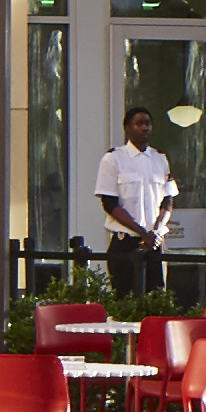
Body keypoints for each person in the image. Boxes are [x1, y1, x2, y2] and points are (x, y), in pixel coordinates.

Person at [89, 107, 176, 295]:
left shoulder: (160, 159)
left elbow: (167, 199)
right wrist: (141, 232)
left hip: (153, 241)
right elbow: (110, 203)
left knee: (155, 300)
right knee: (126, 301)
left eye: (147, 123)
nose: (145, 128)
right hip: (126, 241)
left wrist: (156, 231)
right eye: (139, 124)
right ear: (127, 128)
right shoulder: (113, 159)